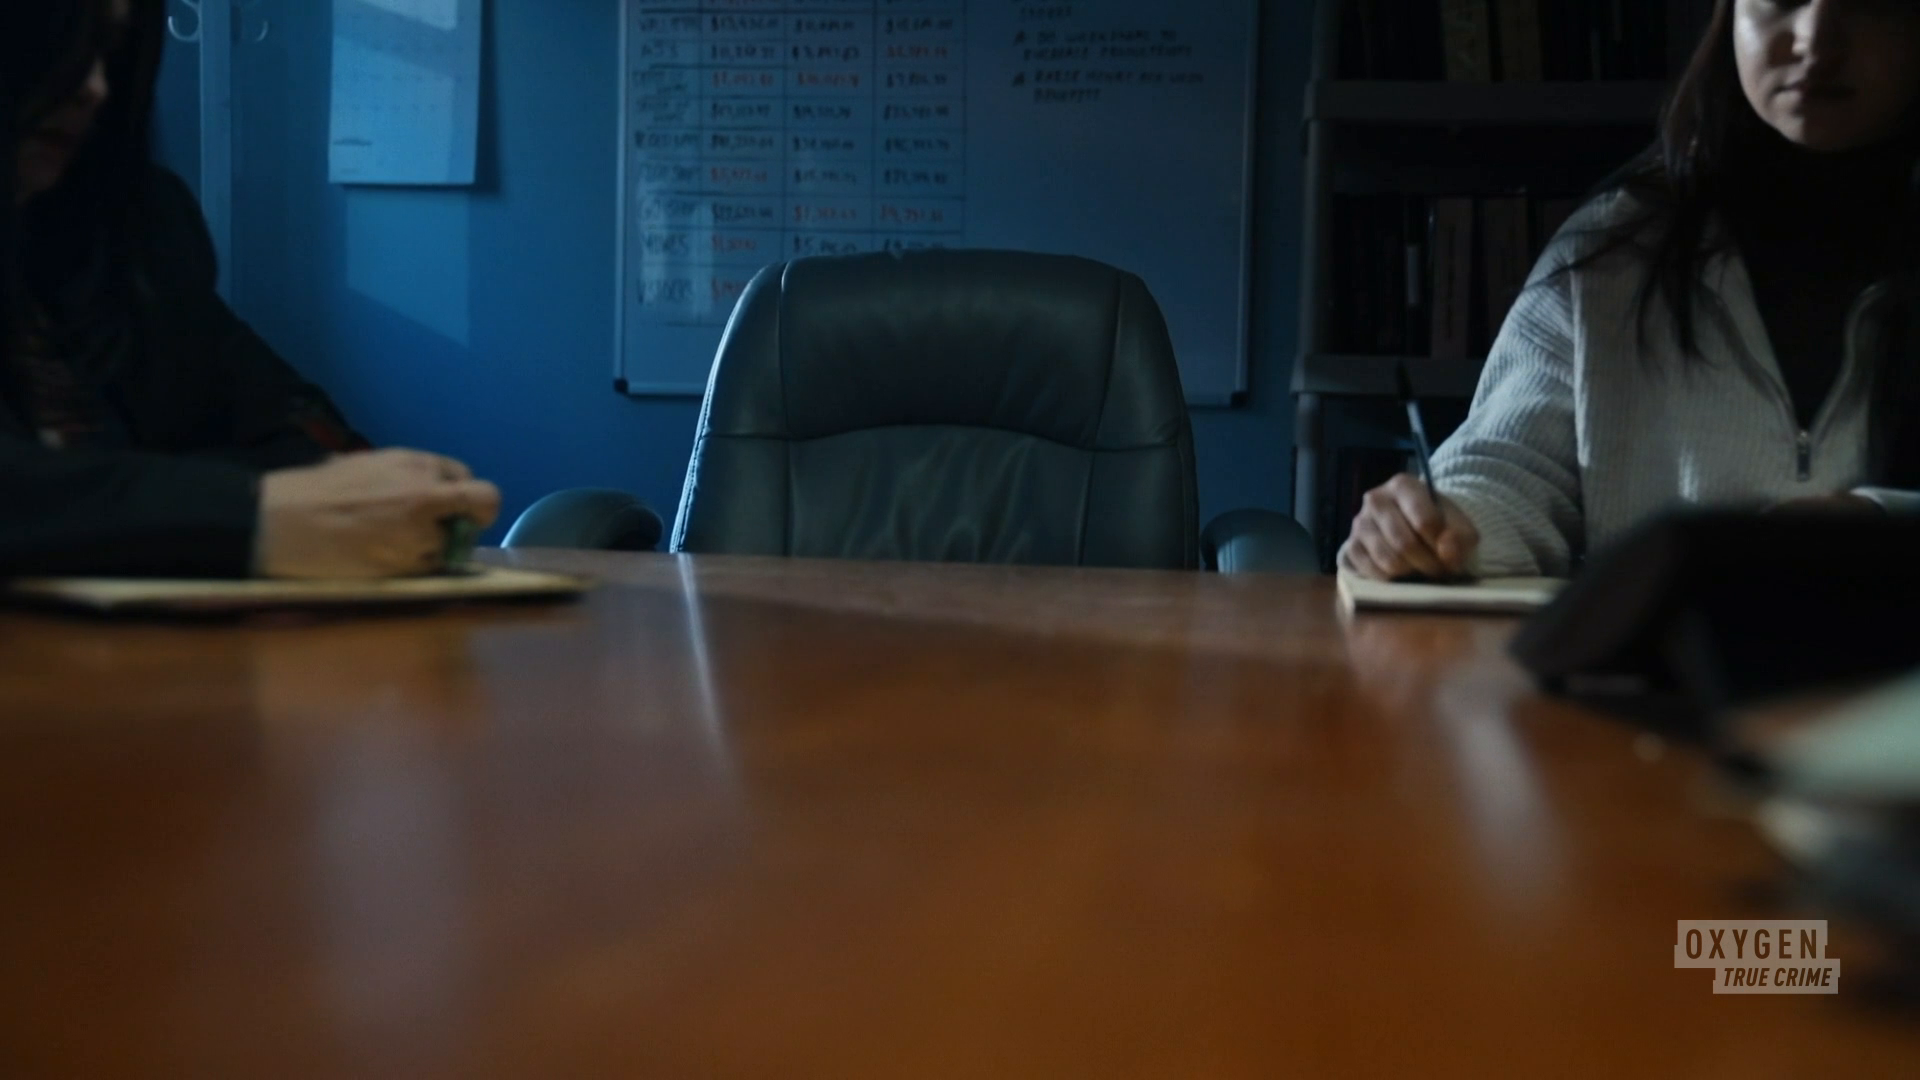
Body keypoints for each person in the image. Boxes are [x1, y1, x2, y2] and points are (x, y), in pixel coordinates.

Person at [1342, 0, 1920, 581]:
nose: (1815, 40)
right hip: (1674, 643)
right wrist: (1433, 524)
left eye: (1870, 2)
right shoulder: (1618, 252)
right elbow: (1512, 467)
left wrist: (1875, 524)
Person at [1, 0, 500, 579]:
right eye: (62, 40)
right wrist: (243, 514)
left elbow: (281, 424)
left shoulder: (136, 231)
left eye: (107, 47)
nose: (94, 86)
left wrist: (375, 486)